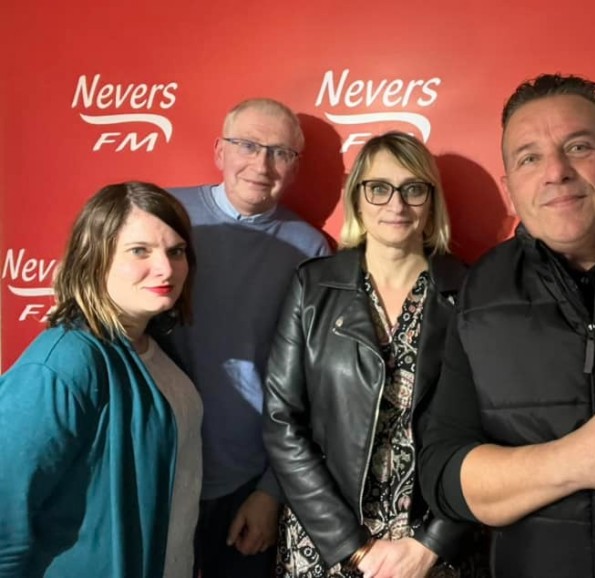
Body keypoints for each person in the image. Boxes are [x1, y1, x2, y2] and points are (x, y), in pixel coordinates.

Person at [416, 75, 595, 578]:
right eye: (529, 158)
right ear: (510, 190)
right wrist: (576, 461)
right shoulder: (482, 290)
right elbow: (443, 475)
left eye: (578, 147)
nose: (556, 172)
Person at [263, 132, 475, 578]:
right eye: (379, 188)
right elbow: (283, 422)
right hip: (327, 544)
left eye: (413, 189)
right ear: (357, 198)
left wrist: (431, 544)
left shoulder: (470, 291)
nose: (396, 204)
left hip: (430, 551)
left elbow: (487, 427)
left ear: (431, 202)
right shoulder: (312, 287)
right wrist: (352, 547)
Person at [0, 182, 201, 578]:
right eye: (140, 250)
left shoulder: (157, 346)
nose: (166, 268)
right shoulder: (65, 362)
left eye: (176, 251)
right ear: (95, 257)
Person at [169, 98, 330, 577]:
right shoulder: (164, 217)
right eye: (247, 145)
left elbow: (312, 384)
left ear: (295, 167)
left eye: (280, 153)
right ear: (220, 151)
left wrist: (271, 490)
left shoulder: (311, 249)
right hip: (158, 470)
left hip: (246, 485)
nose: (262, 165)